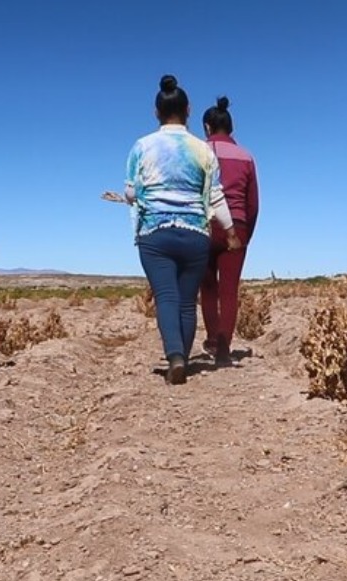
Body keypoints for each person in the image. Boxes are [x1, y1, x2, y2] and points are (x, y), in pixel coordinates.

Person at [125, 75, 241, 384]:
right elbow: (215, 196)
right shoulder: (203, 151)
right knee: (188, 300)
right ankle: (185, 360)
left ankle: (175, 356)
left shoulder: (141, 146)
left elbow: (132, 192)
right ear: (188, 110)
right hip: (195, 235)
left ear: (156, 112)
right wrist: (230, 232)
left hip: (154, 233)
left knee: (166, 296)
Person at [199, 96, 259, 366]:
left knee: (208, 286)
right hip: (238, 224)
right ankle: (224, 348)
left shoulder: (199, 151)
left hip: (205, 223)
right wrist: (245, 234)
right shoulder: (246, 156)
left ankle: (212, 341)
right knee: (230, 289)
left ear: (207, 127)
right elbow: (253, 202)